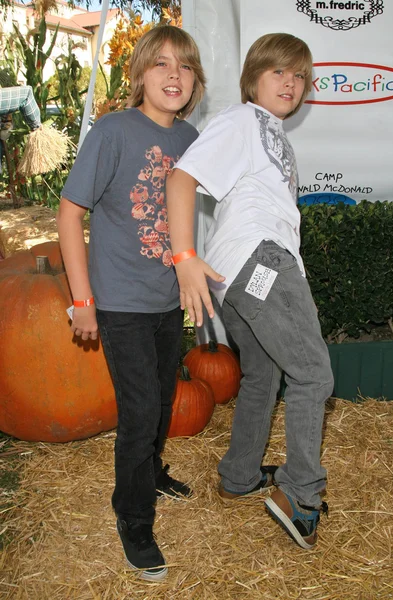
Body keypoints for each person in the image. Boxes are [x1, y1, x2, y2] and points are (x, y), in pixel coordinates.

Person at [166, 32, 334, 550]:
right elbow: (181, 179)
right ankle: (300, 496)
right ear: (253, 79)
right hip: (259, 261)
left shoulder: (269, 131)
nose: (290, 82)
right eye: (278, 71)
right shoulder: (242, 120)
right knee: (313, 373)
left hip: (239, 272)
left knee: (263, 373)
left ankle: (240, 474)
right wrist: (184, 257)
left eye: (299, 75)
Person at [57, 26, 206, 580]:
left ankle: (150, 470)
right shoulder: (113, 130)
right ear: (139, 72)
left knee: (165, 400)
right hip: (120, 302)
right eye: (162, 63)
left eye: (186, 66)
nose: (174, 74)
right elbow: (71, 213)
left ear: (196, 81)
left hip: (169, 299)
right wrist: (82, 300)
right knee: (141, 412)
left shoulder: (191, 138)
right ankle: (133, 514)